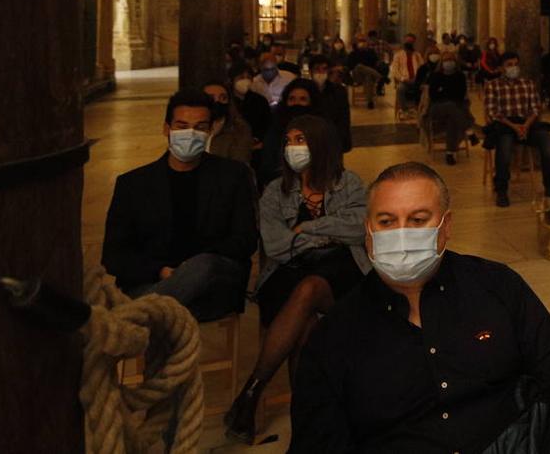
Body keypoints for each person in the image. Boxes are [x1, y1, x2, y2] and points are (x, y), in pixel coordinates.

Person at [289, 163, 550, 452]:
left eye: (418, 220)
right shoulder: (336, 333)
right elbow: (317, 439)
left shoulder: (497, 286)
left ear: (445, 226)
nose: (402, 234)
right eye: (387, 221)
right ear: (368, 232)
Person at [223, 115, 369, 443]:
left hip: (341, 274)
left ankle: (251, 393)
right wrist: (328, 235)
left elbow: (360, 227)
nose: (292, 148)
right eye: (288, 141)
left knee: (312, 288)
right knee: (304, 320)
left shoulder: (350, 184)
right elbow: (275, 244)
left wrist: (307, 228)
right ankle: (307, 421)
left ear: (320, 144)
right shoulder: (276, 190)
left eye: (300, 140)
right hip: (287, 273)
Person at [101, 90, 256, 322]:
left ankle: (135, 316)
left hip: (211, 286)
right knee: (169, 309)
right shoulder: (133, 184)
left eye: (200, 127)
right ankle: (150, 312)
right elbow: (113, 255)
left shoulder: (233, 176)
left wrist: (190, 268)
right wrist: (162, 271)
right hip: (152, 282)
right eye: (182, 126)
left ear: (210, 130)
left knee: (204, 266)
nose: (190, 134)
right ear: (167, 129)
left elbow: (245, 240)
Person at [483, 51, 550, 208]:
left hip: (527, 124)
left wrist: (526, 125)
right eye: (509, 65)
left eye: (515, 64)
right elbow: (493, 112)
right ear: (502, 68)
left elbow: (535, 108)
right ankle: (502, 190)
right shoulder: (493, 86)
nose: (513, 68)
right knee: (504, 146)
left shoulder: (527, 84)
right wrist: (514, 126)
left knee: (547, 140)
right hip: (505, 125)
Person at [257, 78, 319, 191]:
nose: (296, 103)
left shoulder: (322, 128)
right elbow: (268, 163)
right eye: (292, 99)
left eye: (303, 99)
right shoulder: (276, 127)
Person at [426, 49, 476, 166]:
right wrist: (448, 93)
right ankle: (468, 129)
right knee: (450, 106)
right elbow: (433, 96)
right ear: (442, 62)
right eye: (446, 60)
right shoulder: (436, 75)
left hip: (455, 107)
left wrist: (443, 90)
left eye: (451, 60)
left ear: (455, 62)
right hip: (437, 108)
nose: (449, 62)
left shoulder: (460, 76)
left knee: (452, 119)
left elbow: (460, 95)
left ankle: (450, 153)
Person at [203, 80, 255, 165]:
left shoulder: (239, 129)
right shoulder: (191, 127)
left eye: (223, 98)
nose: (217, 102)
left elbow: (239, 164)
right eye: (211, 98)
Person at [308, 55, 352, 153]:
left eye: (324, 69)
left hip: (334, 138)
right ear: (310, 72)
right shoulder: (305, 91)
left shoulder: (339, 91)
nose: (320, 72)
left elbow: (344, 118)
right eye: (317, 69)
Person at [229, 62, 272, 142]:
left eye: (248, 77)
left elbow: (266, 125)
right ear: (232, 80)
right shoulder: (227, 99)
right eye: (241, 78)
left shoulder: (260, 101)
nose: (245, 81)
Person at [392, 34, 424, 115]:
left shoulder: (417, 55)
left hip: (416, 80)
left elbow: (423, 69)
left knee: (425, 89)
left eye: (411, 42)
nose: (409, 43)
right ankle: (404, 109)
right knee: (400, 89)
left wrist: (417, 78)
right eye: (408, 41)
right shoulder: (398, 55)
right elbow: (395, 71)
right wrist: (404, 79)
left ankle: (420, 108)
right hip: (404, 81)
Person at [346, 38, 383, 108]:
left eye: (363, 42)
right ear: (357, 44)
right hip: (357, 76)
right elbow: (350, 66)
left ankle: (370, 102)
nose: (362, 43)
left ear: (366, 43)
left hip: (369, 75)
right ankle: (380, 77)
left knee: (368, 77)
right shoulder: (353, 53)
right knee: (359, 66)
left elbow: (375, 63)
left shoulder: (371, 52)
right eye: (360, 42)